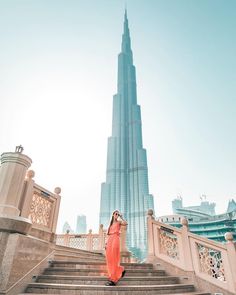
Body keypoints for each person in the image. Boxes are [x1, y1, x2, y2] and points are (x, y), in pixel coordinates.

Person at [105, 210, 128, 286]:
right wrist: (106, 243)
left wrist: (121, 217)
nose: (116, 215)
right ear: (113, 215)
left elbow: (126, 223)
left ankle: (113, 280)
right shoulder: (110, 224)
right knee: (110, 259)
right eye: (115, 214)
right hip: (110, 240)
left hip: (115, 239)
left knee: (114, 258)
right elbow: (108, 235)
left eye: (118, 214)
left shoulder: (119, 222)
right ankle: (120, 270)